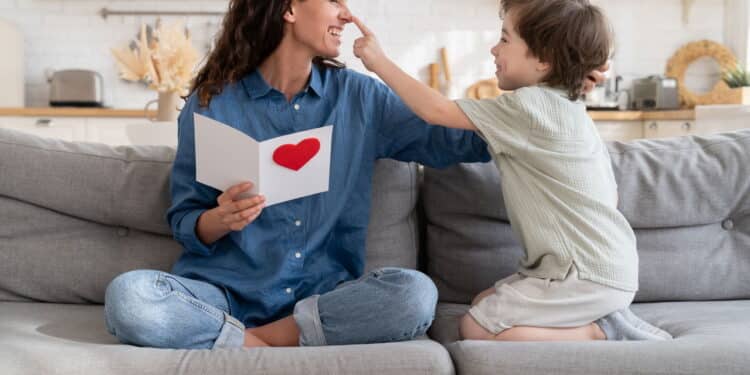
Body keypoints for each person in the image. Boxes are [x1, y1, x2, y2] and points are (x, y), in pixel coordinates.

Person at [353, 0, 672, 342]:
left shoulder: (529, 106)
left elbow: (437, 111)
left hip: (580, 275)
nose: (493, 48)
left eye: (505, 39)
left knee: (475, 327)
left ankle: (602, 331)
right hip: (600, 268)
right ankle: (602, 314)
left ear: (544, 59)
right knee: (481, 303)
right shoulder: (569, 107)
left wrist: (379, 62)